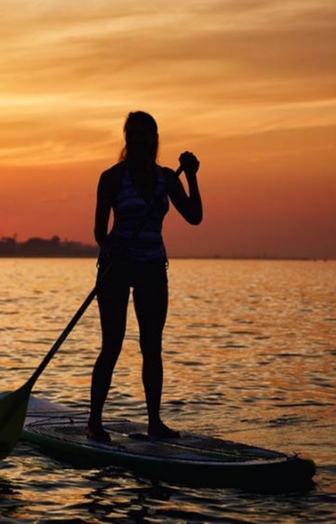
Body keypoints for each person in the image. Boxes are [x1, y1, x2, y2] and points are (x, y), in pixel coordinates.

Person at [86, 111, 203, 442]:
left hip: (152, 267)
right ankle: (95, 423)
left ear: (153, 140)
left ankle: (155, 423)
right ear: (125, 140)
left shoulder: (167, 178)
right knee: (112, 345)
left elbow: (194, 217)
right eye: (131, 135)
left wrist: (192, 176)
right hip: (116, 269)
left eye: (142, 135)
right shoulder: (110, 178)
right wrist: (110, 250)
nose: (135, 141)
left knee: (152, 347)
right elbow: (99, 232)